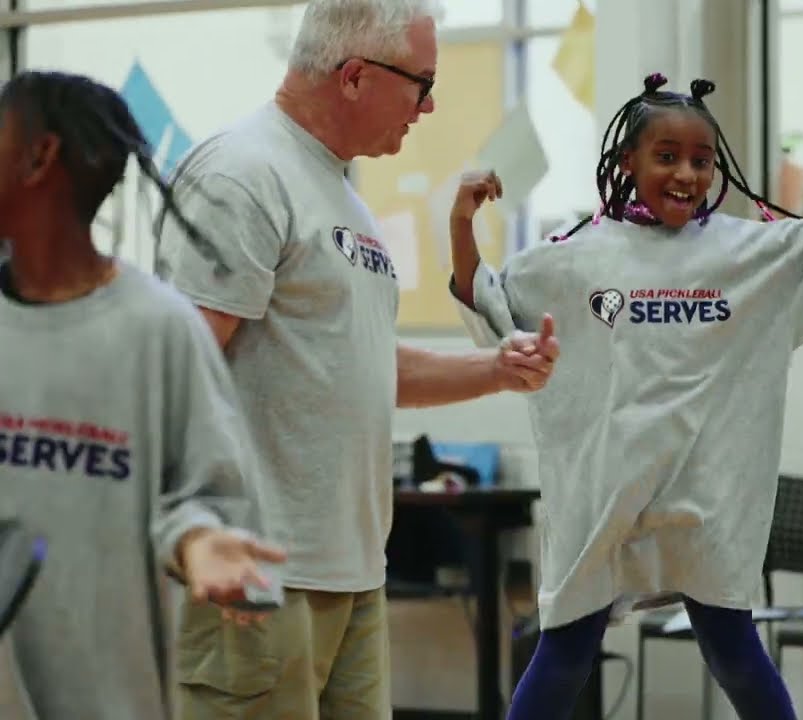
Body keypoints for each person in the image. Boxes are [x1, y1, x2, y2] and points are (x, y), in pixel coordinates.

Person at [449, 73, 803, 720]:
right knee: (564, 652)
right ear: (627, 162)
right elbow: (488, 299)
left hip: (707, 502)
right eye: (666, 156)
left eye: (701, 160)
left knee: (732, 650)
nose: (686, 174)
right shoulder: (572, 256)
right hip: (604, 498)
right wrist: (460, 223)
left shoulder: (749, 250)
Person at [155, 1, 560, 718]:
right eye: (422, 84)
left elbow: (365, 363)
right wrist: (199, 538)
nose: (428, 106)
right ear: (353, 77)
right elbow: (174, 377)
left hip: (354, 574)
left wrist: (498, 368)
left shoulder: (342, 195)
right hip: (259, 574)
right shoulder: (243, 174)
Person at [0, 70, 286, 720]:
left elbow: (209, 497)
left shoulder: (160, 330)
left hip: (112, 697)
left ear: (39, 158)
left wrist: (201, 540)